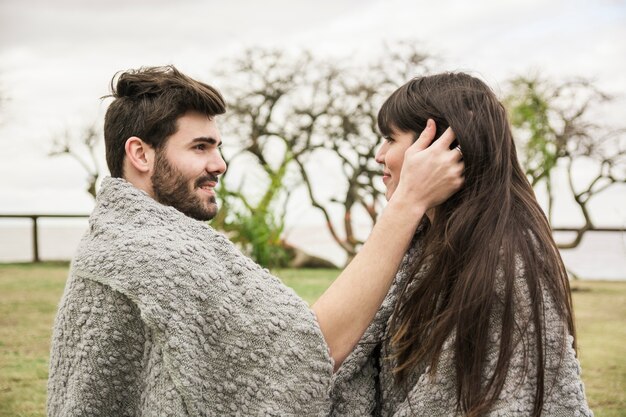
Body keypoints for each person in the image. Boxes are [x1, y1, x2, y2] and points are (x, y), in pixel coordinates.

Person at [47, 66, 464, 417]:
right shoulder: (154, 254)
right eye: (200, 147)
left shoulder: (117, 244)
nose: (219, 164)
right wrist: (408, 202)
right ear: (140, 154)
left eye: (218, 147)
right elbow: (304, 354)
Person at [330, 73, 593, 416]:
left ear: (440, 148)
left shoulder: (504, 261)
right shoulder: (423, 242)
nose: (380, 155)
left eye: (390, 139)